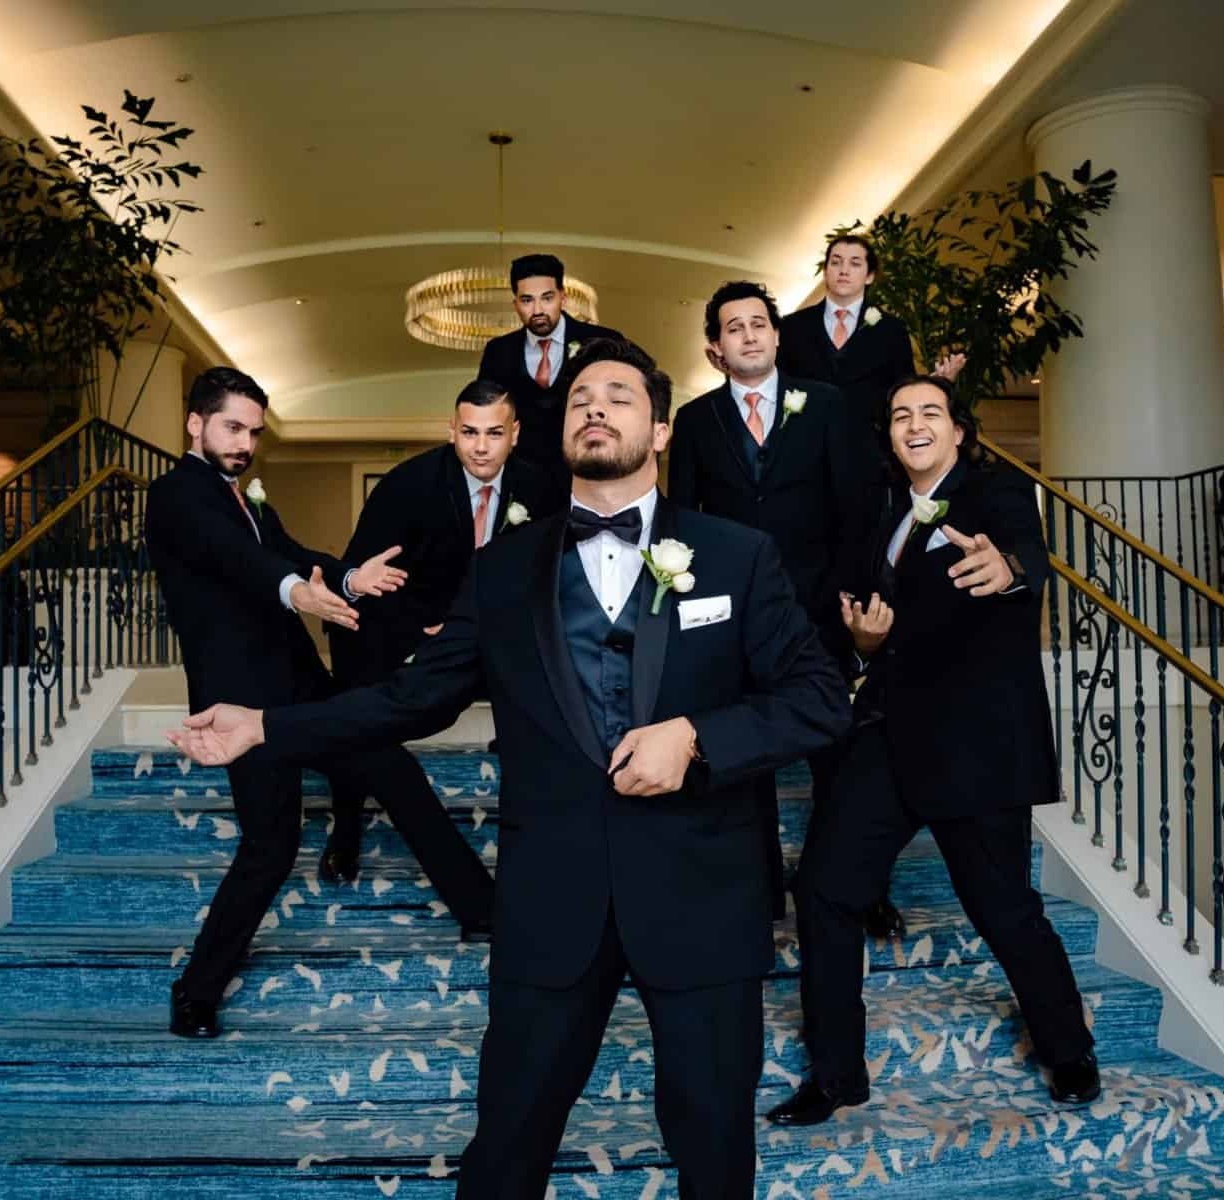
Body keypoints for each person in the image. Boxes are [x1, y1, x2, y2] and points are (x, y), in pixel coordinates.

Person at [168, 339, 851, 1198]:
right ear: (556, 432)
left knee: (713, 1149)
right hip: (551, 902)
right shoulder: (501, 573)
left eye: (618, 396)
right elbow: (411, 701)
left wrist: (700, 737)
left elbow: (822, 698)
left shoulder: (735, 555)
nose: (594, 407)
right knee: (507, 1147)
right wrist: (266, 725)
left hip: (702, 896)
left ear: (663, 430)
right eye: (578, 400)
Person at [766, 371, 1100, 1127]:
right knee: (822, 892)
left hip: (975, 743)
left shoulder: (995, 495)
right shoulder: (883, 510)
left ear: (957, 430)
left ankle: (1067, 1048)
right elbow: (862, 613)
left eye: (929, 412)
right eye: (898, 415)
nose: (912, 423)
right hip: (885, 735)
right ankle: (836, 1075)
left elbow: (1022, 553)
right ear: (889, 435)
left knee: (1003, 909)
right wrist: (860, 642)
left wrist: (1009, 569)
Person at [144, 367, 492, 1040]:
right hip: (237, 706)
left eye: (253, 431)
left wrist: (347, 577)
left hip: (301, 684)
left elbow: (290, 554)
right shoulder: (176, 495)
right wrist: (294, 592)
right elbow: (242, 562)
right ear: (195, 423)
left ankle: (482, 909)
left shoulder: (246, 500)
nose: (245, 443)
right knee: (270, 846)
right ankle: (196, 990)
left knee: (393, 769)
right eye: (232, 428)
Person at [667, 279, 875, 923]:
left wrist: (851, 595)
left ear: (778, 336)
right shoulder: (696, 421)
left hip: (818, 609)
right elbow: (682, 522)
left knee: (834, 757)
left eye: (759, 323)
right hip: (731, 619)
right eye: (734, 328)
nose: (749, 335)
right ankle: (758, 892)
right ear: (715, 349)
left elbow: (859, 507)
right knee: (741, 753)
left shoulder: (828, 404)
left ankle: (846, 887)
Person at [320, 378, 558, 882]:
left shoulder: (541, 488)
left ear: (515, 433)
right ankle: (345, 827)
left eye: (494, 433)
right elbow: (362, 574)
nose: (481, 447)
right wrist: (416, 627)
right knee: (359, 717)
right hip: (398, 625)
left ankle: (535, 835)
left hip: (493, 631)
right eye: (469, 432)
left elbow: (553, 572)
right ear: (451, 430)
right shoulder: (409, 484)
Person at [476, 252, 623, 489]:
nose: (537, 310)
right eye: (526, 300)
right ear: (515, 304)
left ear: (562, 298)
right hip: (523, 484)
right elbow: (485, 413)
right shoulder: (498, 352)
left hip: (590, 477)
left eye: (547, 298)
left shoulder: (603, 341)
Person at [777, 233, 916, 451]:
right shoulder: (791, 327)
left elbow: (903, 392)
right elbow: (777, 386)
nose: (843, 270)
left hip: (868, 453)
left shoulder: (892, 330)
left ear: (869, 276)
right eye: (836, 262)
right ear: (825, 272)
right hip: (802, 449)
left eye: (855, 263)